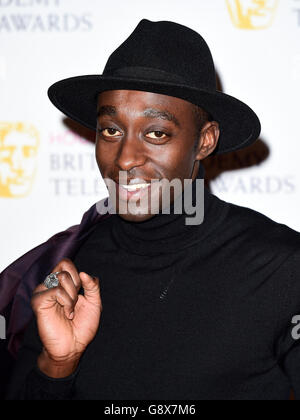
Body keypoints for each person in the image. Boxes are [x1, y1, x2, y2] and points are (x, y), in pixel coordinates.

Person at [2, 19, 300, 400]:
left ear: (205, 141)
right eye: (110, 130)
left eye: (156, 133)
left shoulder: (282, 267)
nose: (125, 158)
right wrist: (58, 366)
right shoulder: (69, 265)